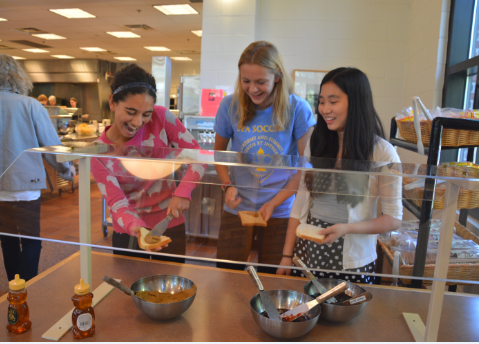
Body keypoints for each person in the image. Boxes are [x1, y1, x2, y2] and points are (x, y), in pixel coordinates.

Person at [277, 67, 402, 284]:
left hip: (354, 257)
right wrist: (287, 255)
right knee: (308, 311)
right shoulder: (317, 141)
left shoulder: (382, 152)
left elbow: (393, 219)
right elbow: (301, 199)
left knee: (346, 314)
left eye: (333, 101)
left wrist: (347, 229)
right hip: (309, 248)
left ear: (356, 102)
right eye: (322, 101)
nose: (324, 109)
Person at [0, 54, 75, 282]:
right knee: (31, 240)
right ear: (19, 78)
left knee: (8, 240)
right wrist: (67, 169)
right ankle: (28, 292)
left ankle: (14, 290)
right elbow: (51, 146)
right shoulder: (31, 105)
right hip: (26, 186)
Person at [213, 41, 316, 273]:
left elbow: (305, 167)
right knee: (227, 273)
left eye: (261, 82)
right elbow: (219, 155)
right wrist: (227, 186)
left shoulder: (297, 108)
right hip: (238, 207)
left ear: (278, 77)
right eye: (246, 81)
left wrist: (273, 203)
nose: (253, 89)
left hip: (281, 209)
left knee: (273, 278)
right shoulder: (230, 105)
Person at [90, 64, 205, 263]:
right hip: (128, 230)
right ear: (112, 102)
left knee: (171, 288)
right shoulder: (99, 152)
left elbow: (198, 156)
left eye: (145, 114)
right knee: (129, 287)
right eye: (131, 111)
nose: (137, 122)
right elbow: (116, 201)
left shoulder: (162, 118)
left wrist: (183, 191)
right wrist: (137, 227)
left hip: (170, 221)